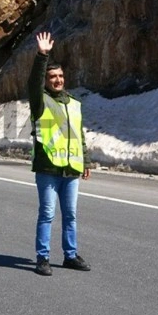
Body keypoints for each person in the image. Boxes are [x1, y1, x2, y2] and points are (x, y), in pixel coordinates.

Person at [28, 31, 91, 276]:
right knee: (47, 214)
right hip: (48, 169)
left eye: (61, 76)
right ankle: (42, 258)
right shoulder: (40, 100)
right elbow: (33, 82)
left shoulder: (74, 103)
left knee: (71, 215)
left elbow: (79, 135)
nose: (58, 80)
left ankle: (70, 255)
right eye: (52, 76)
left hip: (71, 170)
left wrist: (85, 160)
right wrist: (41, 56)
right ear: (46, 80)